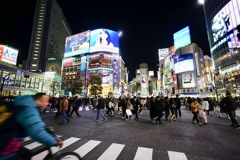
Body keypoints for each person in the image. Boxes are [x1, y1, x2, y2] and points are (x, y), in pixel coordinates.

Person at [0, 93, 62, 159]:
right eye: (45, 101)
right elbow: (37, 132)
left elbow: (35, 124)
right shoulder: (28, 110)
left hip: (10, 141)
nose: (47, 103)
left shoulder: (27, 105)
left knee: (28, 154)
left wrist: (45, 129)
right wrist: (54, 142)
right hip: (5, 147)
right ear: (38, 101)